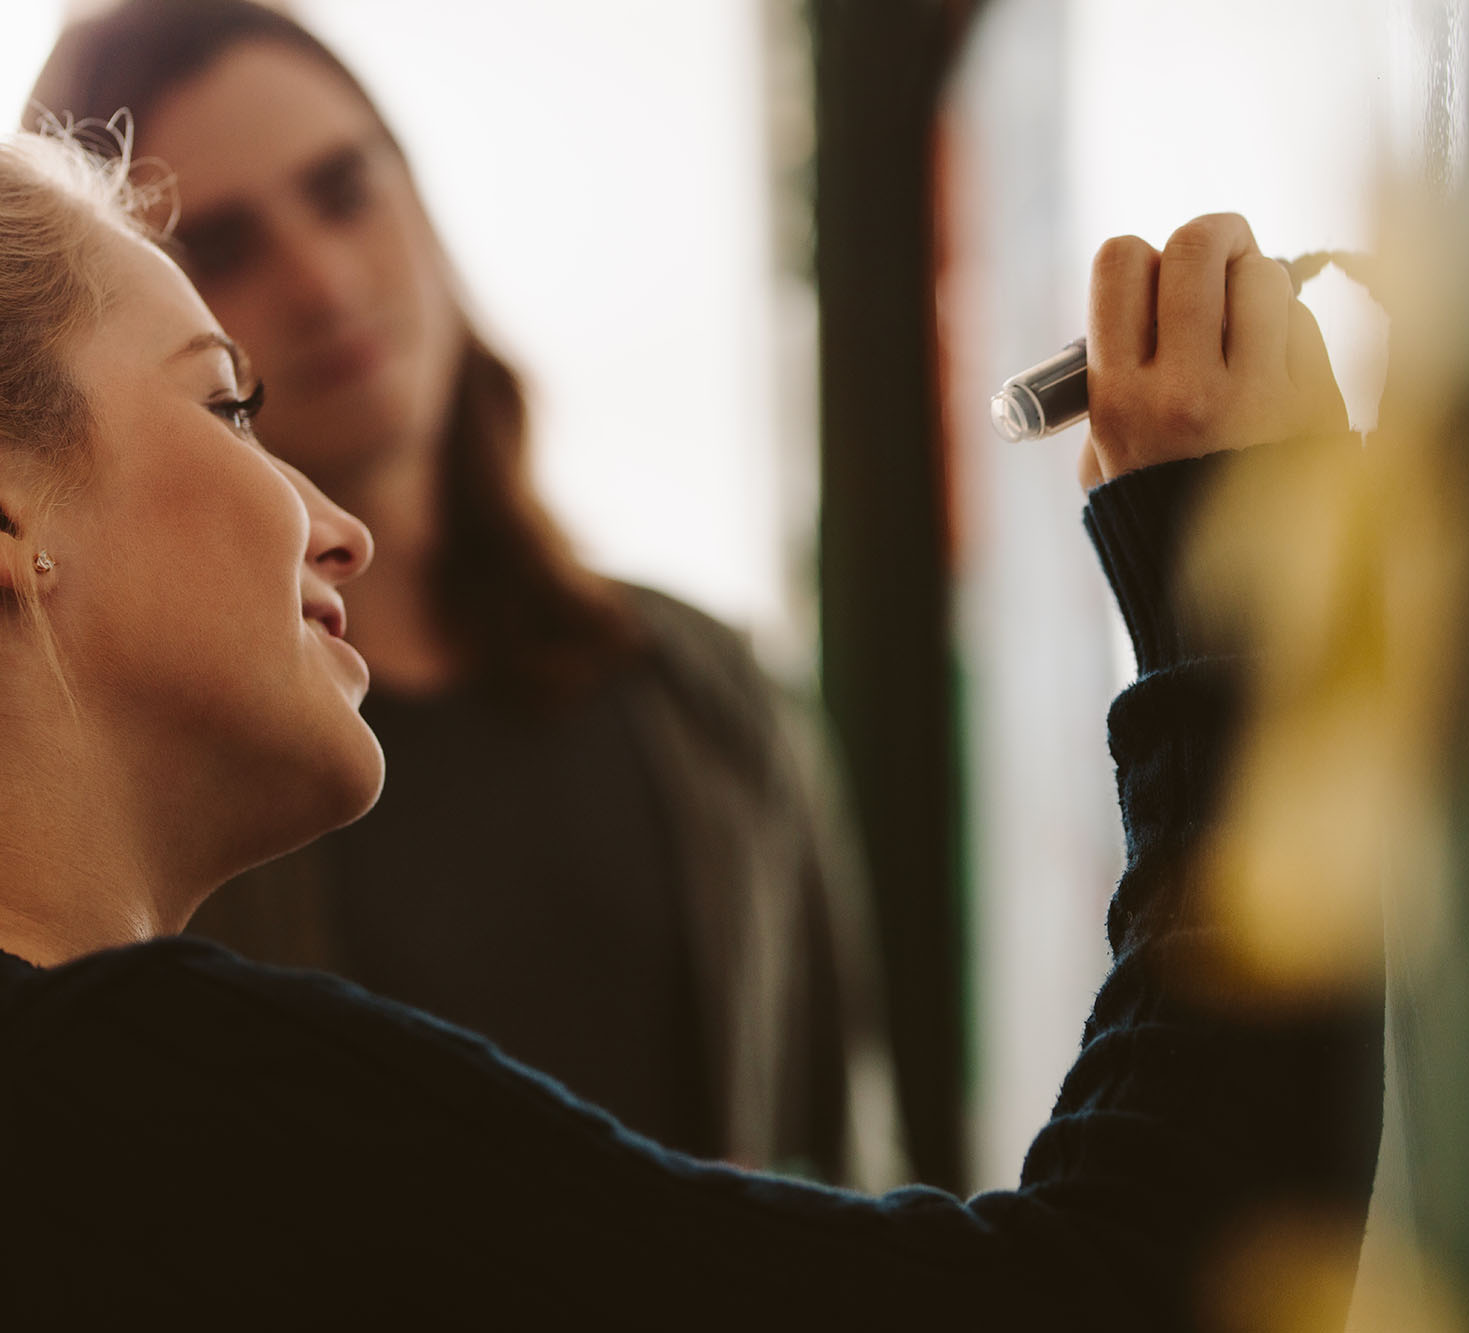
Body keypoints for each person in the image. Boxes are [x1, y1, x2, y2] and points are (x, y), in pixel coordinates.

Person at [0, 112, 1377, 1326]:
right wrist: (1239, 593)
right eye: (228, 410)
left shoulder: (694, 694)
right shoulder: (147, 1109)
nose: (340, 532)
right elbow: (1116, 1296)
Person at [26, 0, 899, 1184]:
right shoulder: (157, 792)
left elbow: (843, 1157)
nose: (327, 285)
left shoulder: (704, 688)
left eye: (345, 192)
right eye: (223, 247)